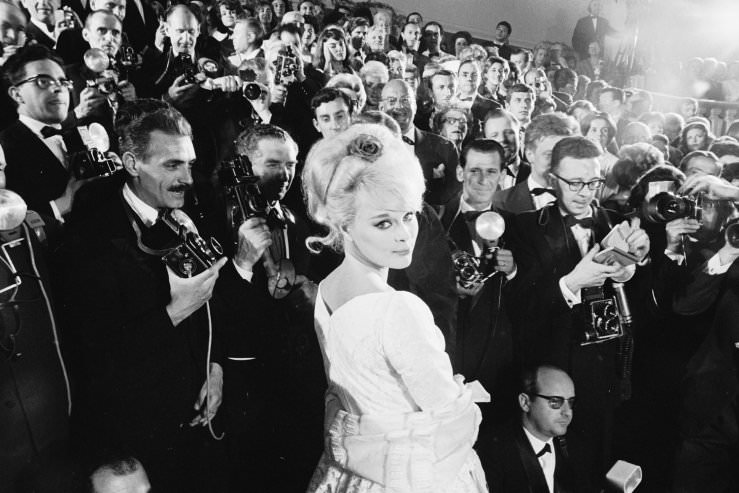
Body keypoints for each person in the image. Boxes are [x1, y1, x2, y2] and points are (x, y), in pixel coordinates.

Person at [302, 123, 488, 492]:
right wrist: (463, 399)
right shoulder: (398, 308)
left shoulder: (327, 289)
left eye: (408, 215)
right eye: (383, 222)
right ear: (345, 225)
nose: (404, 233)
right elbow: (448, 419)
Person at [58, 100, 232, 491]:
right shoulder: (90, 235)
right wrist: (174, 312)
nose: (187, 177)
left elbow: (213, 302)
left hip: (195, 416)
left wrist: (215, 365)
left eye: (189, 163)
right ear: (132, 164)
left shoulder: (194, 203)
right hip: (135, 430)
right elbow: (96, 351)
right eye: (172, 165)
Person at [506, 136, 651, 485]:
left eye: (593, 183)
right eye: (574, 183)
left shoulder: (620, 223)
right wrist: (571, 283)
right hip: (554, 378)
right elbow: (521, 311)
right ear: (553, 178)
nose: (585, 192)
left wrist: (636, 267)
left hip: (607, 379)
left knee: (600, 471)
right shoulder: (523, 227)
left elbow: (649, 309)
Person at [439, 138, 517, 423]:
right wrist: (448, 287)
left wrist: (512, 272)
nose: (482, 180)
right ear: (460, 172)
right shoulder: (434, 220)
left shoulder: (518, 226)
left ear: (502, 176)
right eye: (474, 170)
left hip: (496, 363)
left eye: (491, 172)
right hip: (448, 358)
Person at [0, 45, 83, 227]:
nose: (58, 89)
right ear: (17, 94)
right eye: (43, 81)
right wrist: (62, 204)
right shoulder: (4, 148)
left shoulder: (79, 134)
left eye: (63, 82)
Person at [478, 365, 590, 493]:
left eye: (570, 402)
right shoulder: (493, 452)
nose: (567, 412)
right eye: (555, 402)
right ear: (525, 402)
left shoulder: (575, 446)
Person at [379, 79, 460, 206]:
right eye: (392, 101)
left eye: (405, 100)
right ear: (381, 108)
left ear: (415, 106)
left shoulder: (445, 148)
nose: (399, 106)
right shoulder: (370, 148)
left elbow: (455, 198)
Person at [494, 112, 579, 214]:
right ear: (530, 155)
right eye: (550, 155)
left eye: (566, 155)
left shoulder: (585, 201)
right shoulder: (500, 203)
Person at [482, 108, 528, 189]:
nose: (502, 139)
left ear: (520, 136)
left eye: (508, 133)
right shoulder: (475, 179)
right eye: (494, 135)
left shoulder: (536, 175)